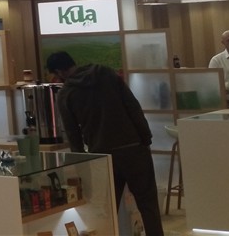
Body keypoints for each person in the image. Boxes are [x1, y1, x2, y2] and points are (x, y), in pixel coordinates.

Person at [46, 51, 163, 236]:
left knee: (108, 211)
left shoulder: (66, 94)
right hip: (133, 148)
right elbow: (133, 106)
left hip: (103, 156)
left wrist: (82, 165)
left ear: (60, 72)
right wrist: (145, 138)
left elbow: (73, 135)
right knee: (148, 205)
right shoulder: (106, 73)